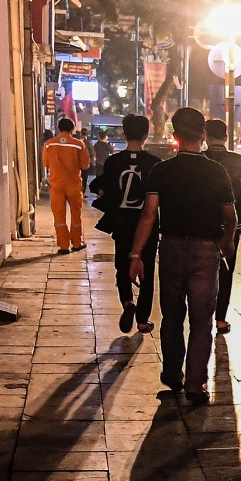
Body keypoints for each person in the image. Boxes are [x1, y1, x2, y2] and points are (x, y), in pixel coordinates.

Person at [129, 108, 234, 405]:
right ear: (202, 135)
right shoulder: (217, 171)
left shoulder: (162, 171)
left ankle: (173, 372)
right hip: (205, 250)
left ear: (174, 136)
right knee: (202, 319)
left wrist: (136, 254)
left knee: (172, 314)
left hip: (172, 248)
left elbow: (149, 215)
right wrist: (226, 245)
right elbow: (231, 215)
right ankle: (195, 383)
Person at [92, 113, 161, 334]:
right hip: (148, 226)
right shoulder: (154, 164)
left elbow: (102, 189)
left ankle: (127, 303)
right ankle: (142, 319)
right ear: (146, 134)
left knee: (122, 266)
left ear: (123, 133)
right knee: (147, 269)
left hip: (121, 223)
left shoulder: (114, 162)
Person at [204, 118, 241, 333]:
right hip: (231, 224)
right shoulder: (240, 161)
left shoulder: (200, 159)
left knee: (202, 271)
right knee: (226, 270)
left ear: (205, 136)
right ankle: (220, 318)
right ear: (226, 137)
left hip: (202, 223)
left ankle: (202, 314)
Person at [41, 117, 90, 253]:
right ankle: (76, 242)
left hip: (56, 185)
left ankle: (63, 246)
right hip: (73, 184)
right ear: (72, 129)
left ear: (58, 128)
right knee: (76, 214)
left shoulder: (49, 144)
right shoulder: (79, 144)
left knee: (59, 216)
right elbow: (85, 165)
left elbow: (45, 163)